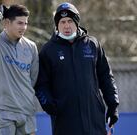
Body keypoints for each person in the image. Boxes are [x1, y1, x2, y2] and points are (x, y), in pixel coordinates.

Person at [34, 2, 119, 135]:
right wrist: (49, 105)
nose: (66, 26)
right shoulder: (47, 51)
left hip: (94, 120)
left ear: (77, 22)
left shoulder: (92, 44)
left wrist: (113, 105)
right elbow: (41, 84)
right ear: (57, 25)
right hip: (65, 122)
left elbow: (106, 77)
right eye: (62, 22)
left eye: (70, 21)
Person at [0, 4, 39, 135]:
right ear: (7, 22)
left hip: (27, 112)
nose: (23, 27)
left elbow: (33, 79)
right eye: (19, 23)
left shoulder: (31, 47)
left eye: (25, 23)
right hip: (3, 114)